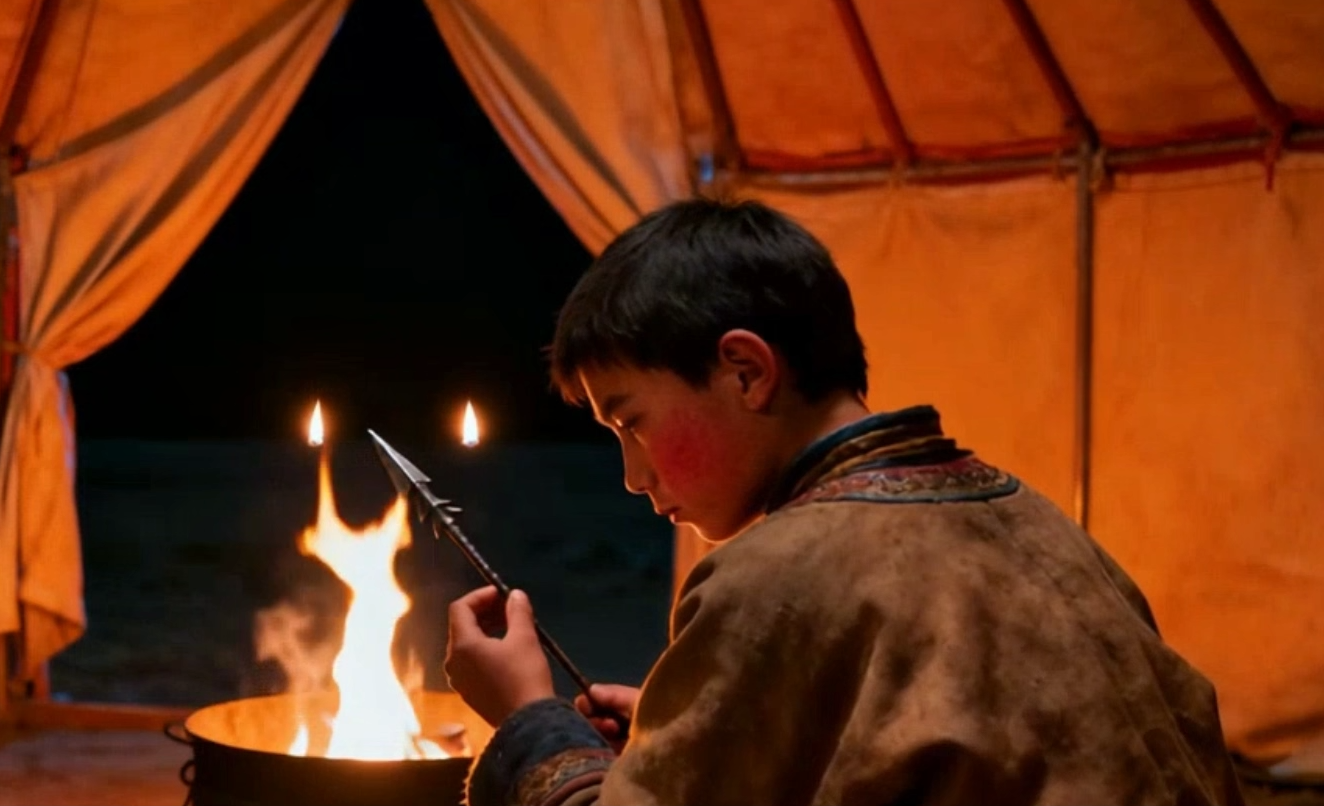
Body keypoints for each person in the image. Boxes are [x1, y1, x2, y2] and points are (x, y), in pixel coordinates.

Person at [442, 198, 1244, 806]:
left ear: (746, 371)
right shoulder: (1035, 523)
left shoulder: (774, 573)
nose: (630, 475)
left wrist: (530, 720)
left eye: (630, 422)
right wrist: (691, 733)